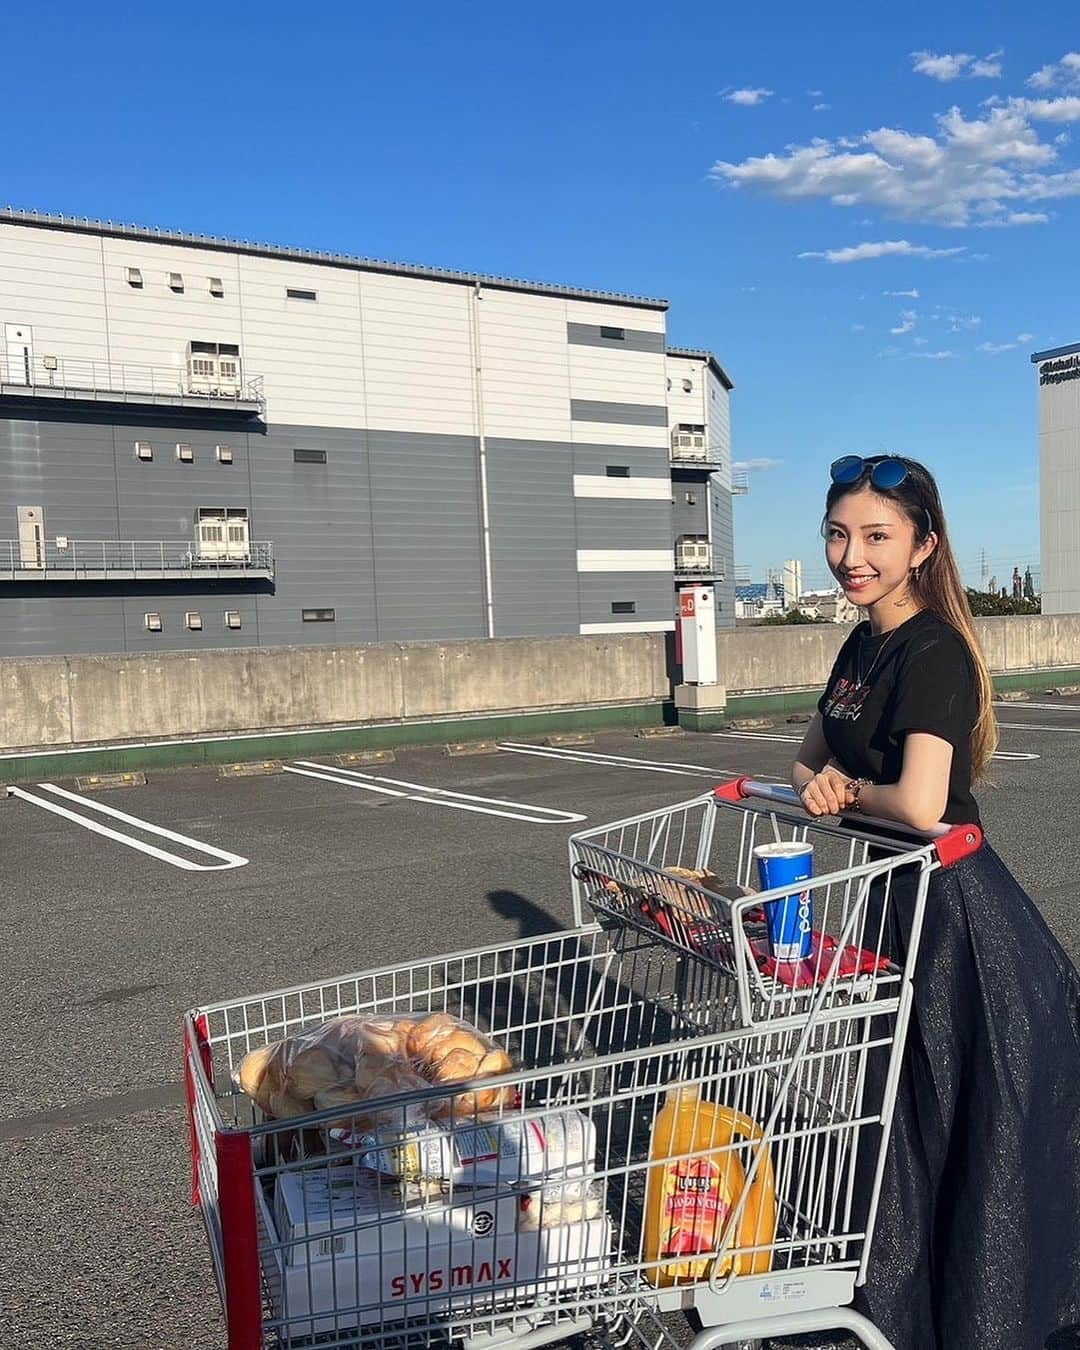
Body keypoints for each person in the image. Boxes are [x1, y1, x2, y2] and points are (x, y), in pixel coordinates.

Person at [791, 455, 1080, 1350]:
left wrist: (846, 793)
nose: (851, 555)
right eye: (840, 534)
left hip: (958, 915)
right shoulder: (864, 642)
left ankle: (986, 1321)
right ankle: (914, 1315)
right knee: (908, 1120)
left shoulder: (934, 648)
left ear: (923, 544)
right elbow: (806, 760)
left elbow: (920, 802)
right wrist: (829, 784)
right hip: (899, 901)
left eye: (876, 536)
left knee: (967, 1130)